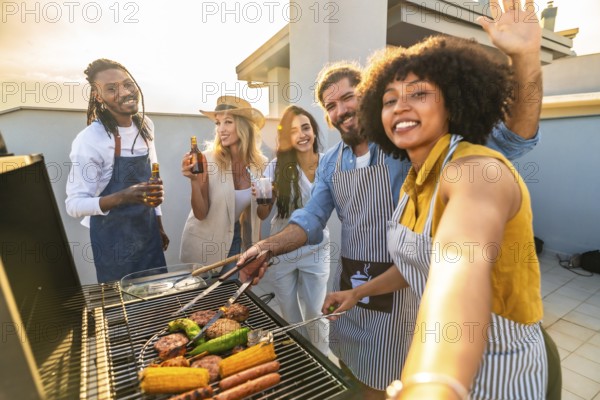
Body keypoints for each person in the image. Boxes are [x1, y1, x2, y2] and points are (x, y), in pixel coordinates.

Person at [237, 1, 543, 397]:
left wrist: (526, 60)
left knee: (392, 371)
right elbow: (312, 218)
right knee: (353, 369)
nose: (341, 111)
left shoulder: (449, 163)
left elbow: (457, 267)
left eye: (349, 98)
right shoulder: (370, 164)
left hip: (425, 316)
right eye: (330, 106)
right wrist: (266, 246)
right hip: (358, 283)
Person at [332, 34, 547, 399]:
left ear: (452, 102)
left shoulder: (474, 170)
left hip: (501, 372)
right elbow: (418, 263)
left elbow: (459, 265)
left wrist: (432, 385)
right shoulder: (413, 182)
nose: (400, 106)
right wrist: (359, 293)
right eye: (389, 100)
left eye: (418, 94)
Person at [66, 58, 169, 283]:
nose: (124, 92)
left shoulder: (146, 126)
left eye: (128, 84)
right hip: (113, 243)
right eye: (112, 89)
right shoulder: (90, 139)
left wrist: (158, 225)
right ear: (99, 97)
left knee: (159, 304)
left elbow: (153, 179)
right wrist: (123, 196)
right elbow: (74, 205)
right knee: (124, 310)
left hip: (148, 232)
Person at [256, 105, 330, 354]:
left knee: (315, 312)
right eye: (294, 131)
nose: (302, 135)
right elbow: (263, 214)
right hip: (281, 245)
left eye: (306, 127)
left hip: (315, 245)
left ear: (314, 130)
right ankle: (300, 360)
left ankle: (323, 366)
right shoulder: (276, 167)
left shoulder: (328, 163)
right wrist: (263, 199)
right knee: (289, 313)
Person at [180, 96, 267, 278]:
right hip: (203, 243)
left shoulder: (260, 164)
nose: (221, 129)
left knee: (230, 302)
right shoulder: (207, 159)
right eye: (218, 123)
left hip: (234, 240)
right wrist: (194, 182)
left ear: (244, 127)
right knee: (203, 304)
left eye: (228, 122)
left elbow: (256, 216)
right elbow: (201, 213)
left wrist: (256, 251)